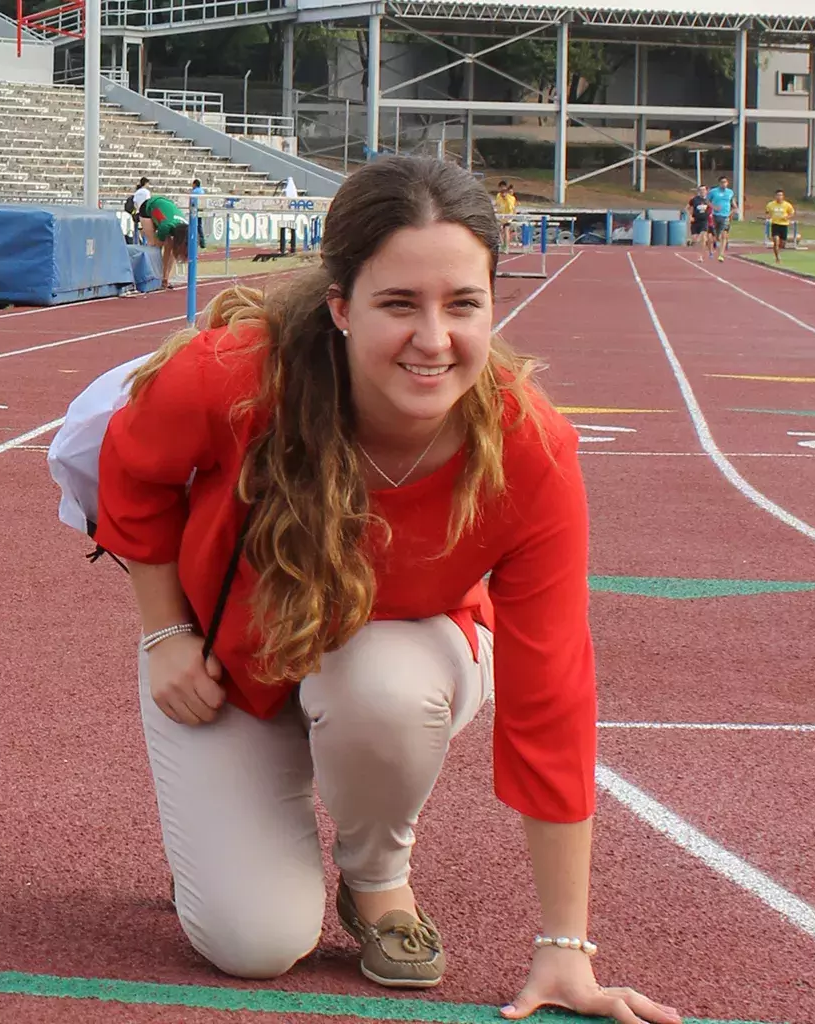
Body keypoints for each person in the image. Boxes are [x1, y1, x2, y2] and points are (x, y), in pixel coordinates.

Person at [94, 155, 682, 1023]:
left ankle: (376, 882)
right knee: (255, 945)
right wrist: (163, 635)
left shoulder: (531, 449)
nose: (434, 338)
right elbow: (131, 471)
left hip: (396, 656)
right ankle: (230, 828)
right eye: (399, 303)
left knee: (384, 686)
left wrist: (566, 947)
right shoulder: (238, 376)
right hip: (230, 666)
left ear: (494, 304)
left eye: (463, 304)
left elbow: (552, 690)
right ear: (341, 306)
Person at [137, 191, 193, 289]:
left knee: (171, 249)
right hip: (148, 209)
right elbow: (159, 248)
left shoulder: (186, 228)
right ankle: (153, 277)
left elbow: (170, 250)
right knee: (153, 246)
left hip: (164, 211)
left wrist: (165, 275)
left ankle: (165, 278)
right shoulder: (165, 226)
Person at [706, 176, 735, 261]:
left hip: (725, 216)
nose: (724, 184)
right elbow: (707, 201)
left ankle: (721, 255)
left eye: (725, 182)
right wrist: (714, 207)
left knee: (724, 235)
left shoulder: (730, 192)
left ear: (727, 183)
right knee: (716, 236)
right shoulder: (713, 192)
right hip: (715, 216)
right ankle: (713, 245)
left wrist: (731, 212)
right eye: (722, 182)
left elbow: (733, 204)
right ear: (719, 183)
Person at [765, 190, 795, 264]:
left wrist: (787, 217)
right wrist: (768, 217)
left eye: (781, 195)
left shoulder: (787, 205)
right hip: (775, 224)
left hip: (784, 225)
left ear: (783, 196)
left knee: (782, 243)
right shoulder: (771, 204)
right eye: (778, 195)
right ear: (775, 196)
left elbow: (792, 213)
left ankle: (778, 249)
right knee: (776, 240)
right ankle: (777, 257)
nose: (779, 197)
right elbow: (767, 212)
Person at [686, 186, 712, 261]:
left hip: (704, 221)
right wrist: (690, 216)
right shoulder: (694, 199)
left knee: (703, 238)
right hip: (695, 221)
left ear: (706, 191)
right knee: (695, 239)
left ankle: (701, 256)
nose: (702, 191)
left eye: (703, 190)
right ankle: (696, 248)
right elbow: (687, 208)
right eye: (700, 190)